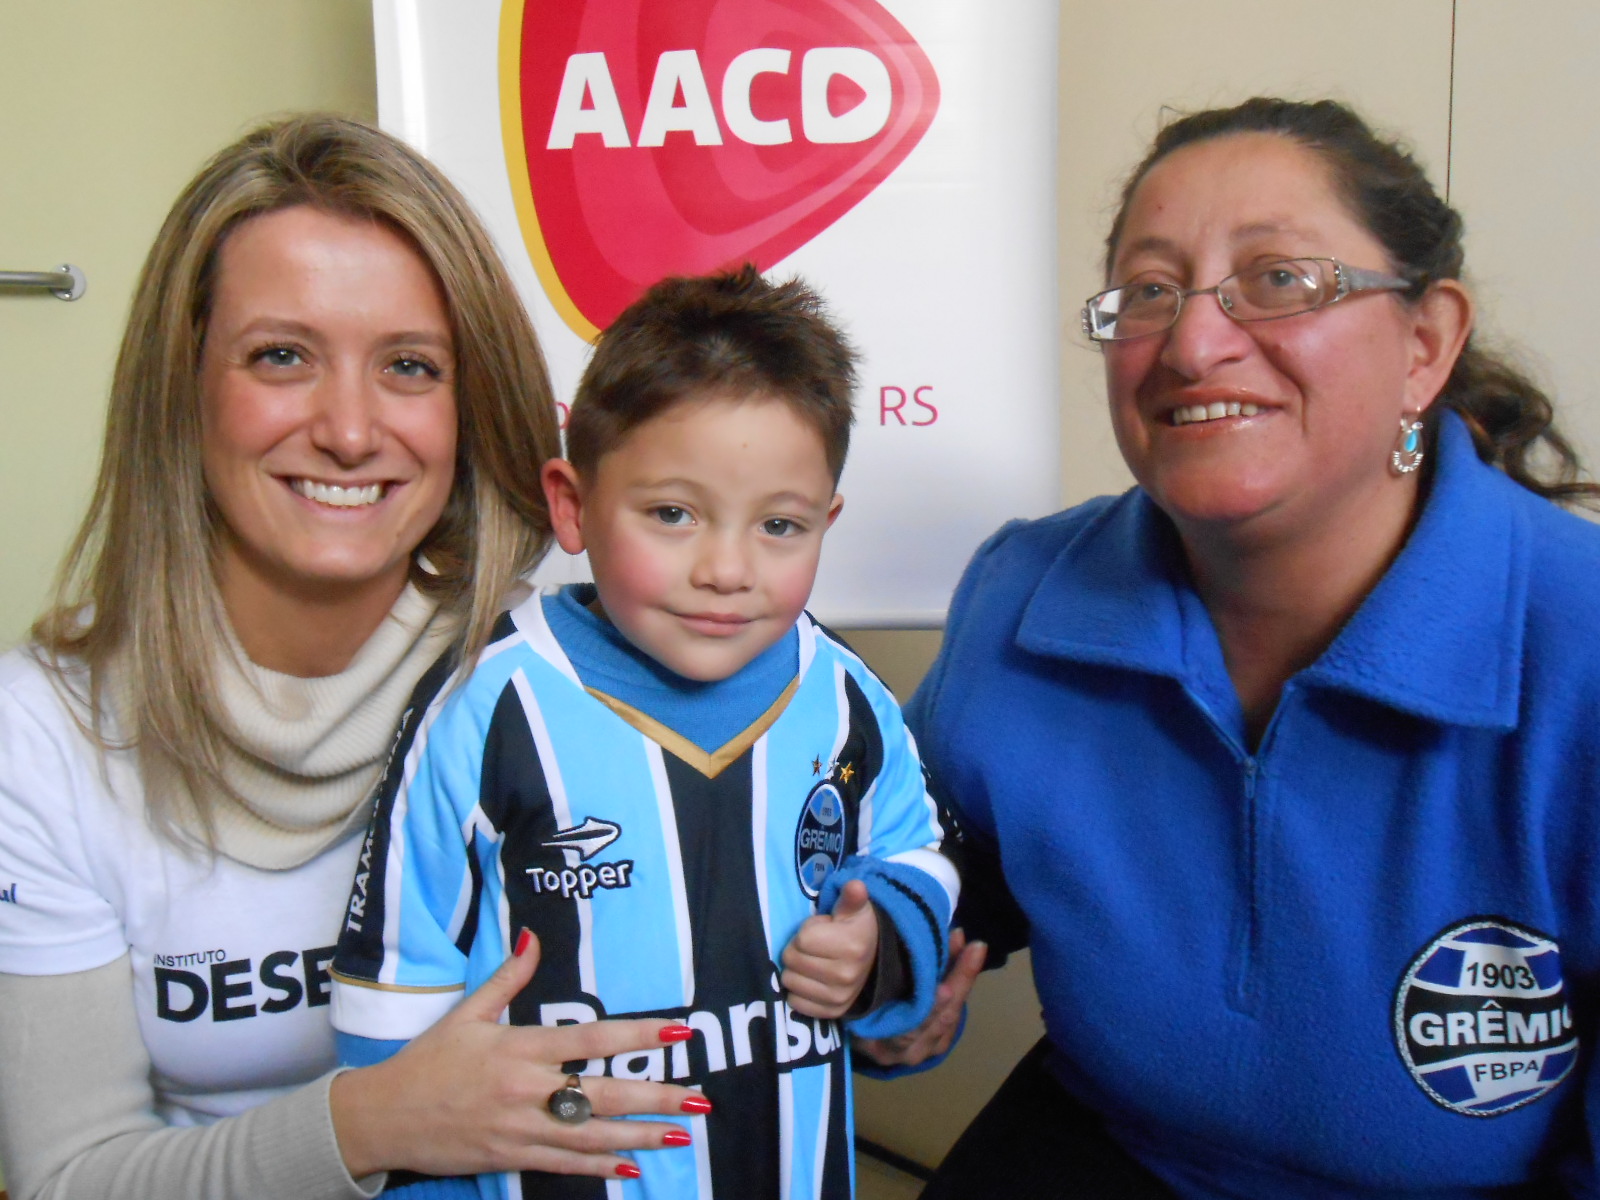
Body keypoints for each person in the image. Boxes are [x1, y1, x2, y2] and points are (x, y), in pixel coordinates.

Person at [873, 96, 1600, 1197]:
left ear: (1424, 342)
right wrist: (893, 959)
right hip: (1113, 1147)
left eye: (1277, 281)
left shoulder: (1578, 646)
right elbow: (936, 868)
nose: (1194, 343)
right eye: (1150, 292)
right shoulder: (1022, 593)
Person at [0, 114, 713, 1200]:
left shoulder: (549, 678)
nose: (347, 429)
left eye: (410, 367)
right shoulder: (38, 737)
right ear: (182, 389)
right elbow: (70, 1178)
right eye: (280, 356)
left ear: (470, 405)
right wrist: (374, 1124)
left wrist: (887, 970)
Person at [330, 266, 959, 1199]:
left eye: (780, 525)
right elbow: (394, 995)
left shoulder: (847, 701)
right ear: (573, 504)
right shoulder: (489, 706)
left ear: (828, 521)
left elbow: (921, 858)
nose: (727, 568)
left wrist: (876, 946)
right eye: (672, 513)